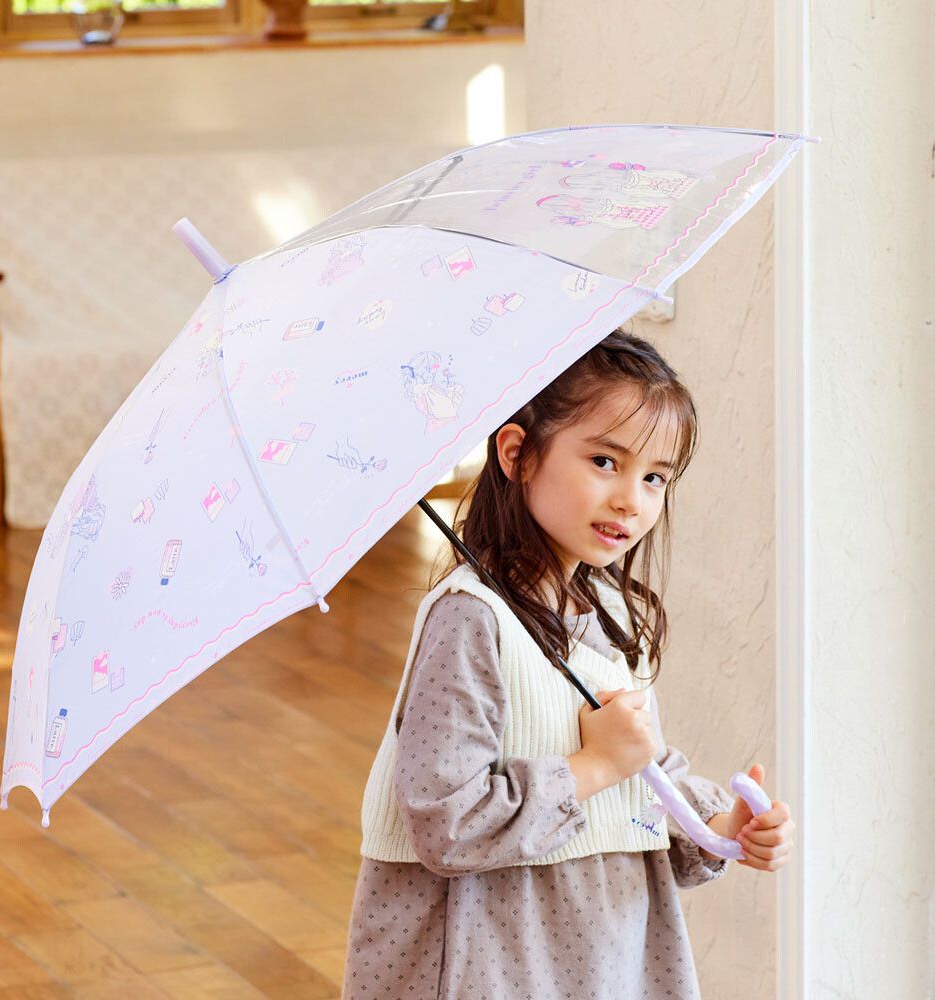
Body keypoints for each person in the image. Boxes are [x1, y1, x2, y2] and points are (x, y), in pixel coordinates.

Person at [341, 329, 796, 999]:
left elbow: (641, 792)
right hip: (491, 956)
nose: (630, 500)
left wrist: (721, 828)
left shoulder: (611, 616)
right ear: (517, 453)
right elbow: (444, 822)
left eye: (654, 478)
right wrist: (592, 767)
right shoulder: (473, 620)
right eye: (605, 462)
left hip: (609, 952)